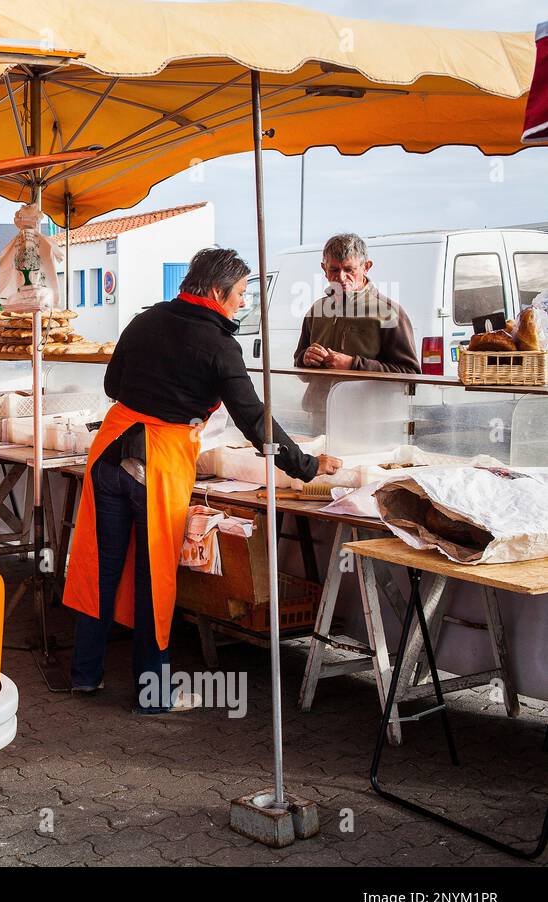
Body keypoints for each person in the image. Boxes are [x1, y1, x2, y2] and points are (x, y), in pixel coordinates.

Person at [64, 248, 341, 713]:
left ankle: (85, 676)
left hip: (109, 454)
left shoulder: (144, 320)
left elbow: (113, 386)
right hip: (156, 464)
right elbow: (255, 421)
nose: (241, 304)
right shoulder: (220, 347)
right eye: (239, 295)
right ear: (216, 293)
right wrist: (307, 465)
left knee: (102, 566)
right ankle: (154, 696)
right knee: (154, 578)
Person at [293, 233, 420, 373]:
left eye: (349, 270)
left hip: (366, 396)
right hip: (318, 395)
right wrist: (305, 358)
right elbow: (298, 361)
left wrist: (353, 365)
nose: (341, 277)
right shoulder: (316, 310)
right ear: (324, 269)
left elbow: (410, 372)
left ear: (366, 267)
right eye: (334, 270)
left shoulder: (389, 313)